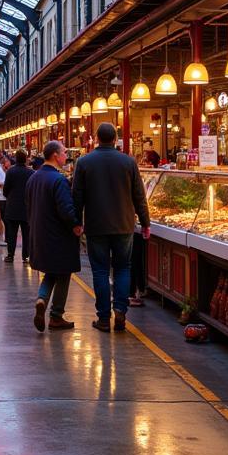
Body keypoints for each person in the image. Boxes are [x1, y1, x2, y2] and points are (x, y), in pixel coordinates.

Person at [73, 121, 151, 333]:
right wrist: (145, 223)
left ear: (96, 138)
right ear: (115, 139)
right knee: (123, 268)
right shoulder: (128, 162)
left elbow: (77, 197)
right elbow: (139, 196)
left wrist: (76, 223)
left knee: (99, 271)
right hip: (124, 225)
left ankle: (104, 318)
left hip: (96, 225)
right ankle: (121, 312)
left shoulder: (84, 162)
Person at [25, 140, 81, 332]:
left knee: (50, 271)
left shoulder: (33, 178)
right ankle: (56, 315)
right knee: (64, 272)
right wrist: (75, 225)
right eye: (65, 152)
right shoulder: (59, 180)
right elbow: (66, 208)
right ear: (56, 156)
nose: (67, 156)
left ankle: (42, 299)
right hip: (59, 235)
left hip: (39, 233)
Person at [2, 149, 32, 264]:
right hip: (26, 207)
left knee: (11, 233)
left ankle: (10, 255)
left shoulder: (10, 171)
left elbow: (6, 189)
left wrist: (9, 196)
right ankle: (26, 256)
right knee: (26, 234)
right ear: (26, 159)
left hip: (12, 207)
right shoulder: (31, 173)